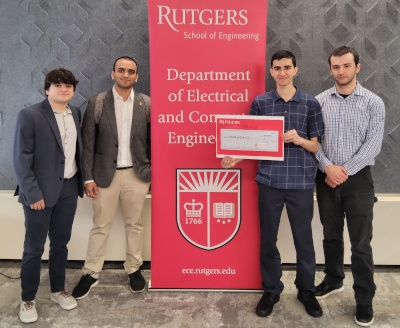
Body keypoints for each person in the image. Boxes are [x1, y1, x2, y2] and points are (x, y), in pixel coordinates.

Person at [221, 50, 324, 318]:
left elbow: (315, 145)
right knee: (268, 239)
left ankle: (306, 290)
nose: (282, 72)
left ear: (295, 70)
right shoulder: (261, 103)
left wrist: (299, 139)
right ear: (271, 71)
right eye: (277, 68)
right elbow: (253, 143)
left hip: (301, 181)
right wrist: (236, 157)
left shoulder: (310, 104)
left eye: (287, 67)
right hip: (269, 181)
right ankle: (271, 289)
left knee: (304, 241)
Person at [314, 46, 385, 327]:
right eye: (335, 67)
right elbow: (313, 140)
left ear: (358, 67)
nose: (340, 71)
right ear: (330, 69)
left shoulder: (373, 103)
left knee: (361, 243)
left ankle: (365, 299)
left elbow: (373, 146)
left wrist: (342, 173)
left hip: (359, 181)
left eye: (346, 66)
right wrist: (327, 167)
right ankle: (333, 280)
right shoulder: (318, 102)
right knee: (331, 236)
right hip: (326, 176)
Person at [72, 56, 151, 299]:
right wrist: (87, 178)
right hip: (103, 176)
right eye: (121, 70)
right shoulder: (97, 102)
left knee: (134, 224)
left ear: (137, 76)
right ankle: (91, 272)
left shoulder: (146, 103)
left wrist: (152, 172)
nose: (125, 74)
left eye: (131, 71)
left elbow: (153, 141)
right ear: (112, 74)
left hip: (137, 176)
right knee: (100, 226)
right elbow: (87, 145)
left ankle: (134, 268)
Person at [13, 68, 83, 323]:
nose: (63, 89)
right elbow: (21, 159)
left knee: (60, 244)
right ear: (47, 89)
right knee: (33, 248)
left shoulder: (75, 112)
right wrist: (32, 193)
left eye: (68, 86)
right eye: (58, 85)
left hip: (68, 189)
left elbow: (74, 152)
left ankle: (57, 289)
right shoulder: (30, 115)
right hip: (39, 193)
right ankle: (28, 298)